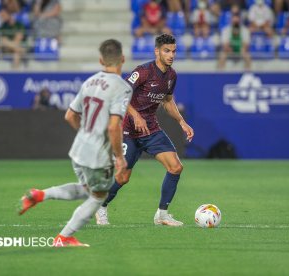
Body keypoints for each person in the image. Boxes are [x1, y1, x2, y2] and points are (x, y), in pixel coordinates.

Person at [17, 39, 133, 247]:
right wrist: (120, 158)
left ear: (100, 60)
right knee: (98, 198)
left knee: (87, 189)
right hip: (98, 154)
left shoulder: (89, 83)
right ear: (122, 59)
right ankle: (64, 237)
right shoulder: (122, 87)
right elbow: (114, 127)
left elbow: (70, 116)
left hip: (79, 148)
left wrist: (86, 133)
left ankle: (40, 194)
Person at [95, 33, 194, 227]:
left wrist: (182, 122)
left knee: (176, 167)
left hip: (151, 129)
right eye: (167, 51)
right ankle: (101, 205)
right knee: (123, 177)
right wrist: (135, 115)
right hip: (129, 130)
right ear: (157, 51)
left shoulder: (172, 76)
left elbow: (167, 100)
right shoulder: (143, 71)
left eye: (174, 51)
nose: (171, 55)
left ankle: (162, 215)